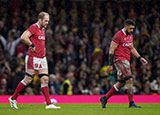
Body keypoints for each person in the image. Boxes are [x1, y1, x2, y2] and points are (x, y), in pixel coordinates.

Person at [8, 11, 60, 109]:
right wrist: (31, 45)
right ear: (40, 20)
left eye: (48, 21)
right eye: (45, 21)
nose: (47, 23)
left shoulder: (43, 29)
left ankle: (49, 104)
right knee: (28, 79)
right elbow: (23, 37)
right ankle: (13, 98)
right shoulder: (34, 27)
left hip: (42, 58)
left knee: (45, 79)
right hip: (33, 57)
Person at [100, 19, 148, 108]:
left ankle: (105, 98)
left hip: (126, 60)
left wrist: (140, 57)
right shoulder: (118, 35)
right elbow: (111, 49)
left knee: (121, 83)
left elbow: (132, 48)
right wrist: (110, 64)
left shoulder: (130, 36)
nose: (132, 31)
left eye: (133, 29)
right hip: (119, 60)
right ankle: (131, 103)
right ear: (125, 26)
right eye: (130, 28)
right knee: (129, 79)